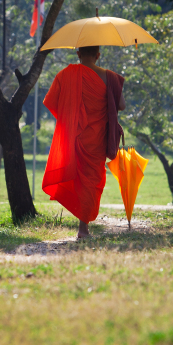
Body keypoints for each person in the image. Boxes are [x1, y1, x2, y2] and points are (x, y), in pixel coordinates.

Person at [41, 45, 125, 240]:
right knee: (91, 180)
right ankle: (83, 228)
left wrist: (71, 119)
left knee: (78, 178)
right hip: (97, 139)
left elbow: (52, 103)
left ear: (78, 54)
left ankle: (83, 227)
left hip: (74, 137)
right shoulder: (110, 77)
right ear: (98, 55)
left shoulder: (65, 75)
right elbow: (121, 105)